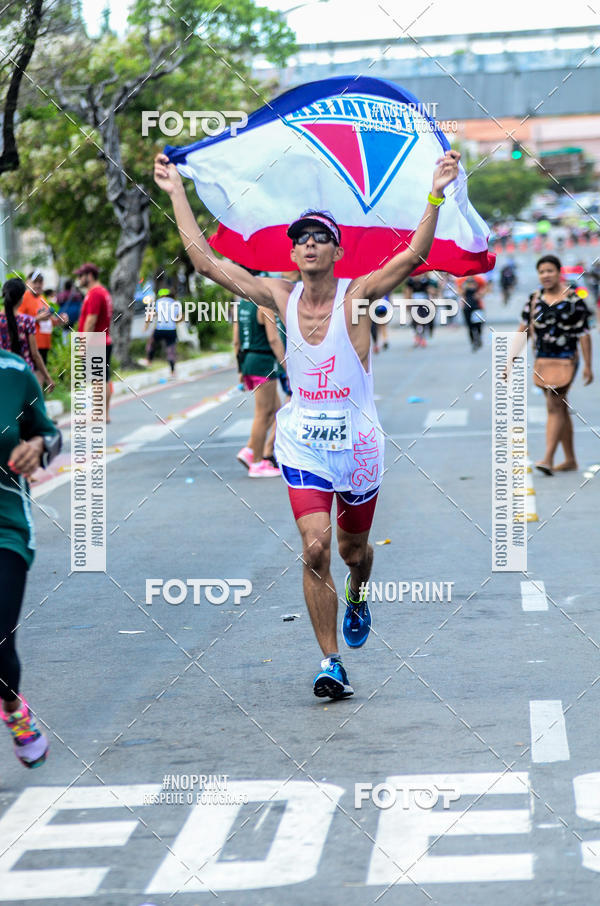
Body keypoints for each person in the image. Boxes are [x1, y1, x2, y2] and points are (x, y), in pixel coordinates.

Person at [154, 147, 460, 699]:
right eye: (301, 238)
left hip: (359, 444)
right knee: (314, 547)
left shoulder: (359, 295)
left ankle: (360, 591)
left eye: (319, 236)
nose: (309, 243)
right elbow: (205, 262)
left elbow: (414, 254)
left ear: (338, 250)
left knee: (351, 553)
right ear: (292, 253)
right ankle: (330, 662)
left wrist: (436, 191)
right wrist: (177, 192)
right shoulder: (277, 295)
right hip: (303, 443)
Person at [0, 344, 62, 767]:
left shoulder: (14, 371)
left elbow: (54, 435)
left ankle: (10, 703)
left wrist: (38, 443)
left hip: (6, 529)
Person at [514, 255, 593, 474]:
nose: (545, 275)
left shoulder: (573, 300)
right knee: (561, 407)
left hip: (567, 359)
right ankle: (570, 460)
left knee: (554, 405)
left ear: (559, 272)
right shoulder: (533, 299)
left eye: (550, 271)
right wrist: (510, 359)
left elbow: (584, 334)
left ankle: (547, 458)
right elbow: (524, 329)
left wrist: (588, 365)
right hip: (543, 359)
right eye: (541, 272)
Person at [234, 285, 286, 478]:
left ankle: (251, 451)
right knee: (263, 413)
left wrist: (240, 368)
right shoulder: (264, 308)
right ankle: (256, 462)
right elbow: (274, 340)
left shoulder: (242, 306)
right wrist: (286, 366)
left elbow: (236, 341)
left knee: (276, 409)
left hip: (248, 360)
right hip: (263, 362)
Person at [75, 262, 114, 422]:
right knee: (104, 378)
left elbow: (91, 321)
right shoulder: (103, 292)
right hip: (103, 339)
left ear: (89, 276)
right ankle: (104, 414)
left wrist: (83, 344)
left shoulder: (95, 294)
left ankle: (99, 413)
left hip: (96, 341)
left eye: (81, 276)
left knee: (98, 380)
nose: (79, 279)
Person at [1, 278, 54, 390]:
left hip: (3, 373)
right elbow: (35, 354)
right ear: (21, 298)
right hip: (23, 373)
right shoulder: (27, 321)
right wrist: (48, 378)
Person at [19, 271, 55, 367]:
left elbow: (49, 319)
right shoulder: (24, 297)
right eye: (35, 282)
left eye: (40, 282)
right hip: (32, 346)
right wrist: (36, 319)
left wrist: (58, 320)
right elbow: (17, 321)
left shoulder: (42, 298)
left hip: (44, 345)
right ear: (27, 283)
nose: (38, 285)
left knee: (41, 376)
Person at [144, 286, 182, 377]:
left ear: (161, 296)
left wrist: (146, 326)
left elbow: (150, 315)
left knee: (151, 343)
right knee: (171, 350)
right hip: (171, 330)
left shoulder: (158, 302)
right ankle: (173, 371)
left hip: (160, 329)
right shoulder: (176, 303)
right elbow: (180, 318)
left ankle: (149, 361)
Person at [457, 274, 487, 351]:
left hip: (477, 306)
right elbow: (459, 292)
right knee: (469, 325)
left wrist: (480, 294)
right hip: (466, 306)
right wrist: (465, 287)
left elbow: (485, 288)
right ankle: (473, 342)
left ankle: (479, 337)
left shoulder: (479, 279)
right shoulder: (461, 280)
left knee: (478, 324)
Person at [405, 272, 436, 346]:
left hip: (424, 303)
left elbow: (431, 292)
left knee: (423, 320)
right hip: (414, 303)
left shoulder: (425, 281)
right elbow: (407, 292)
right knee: (415, 321)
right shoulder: (410, 282)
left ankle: (422, 337)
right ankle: (417, 336)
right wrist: (407, 303)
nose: (417, 276)